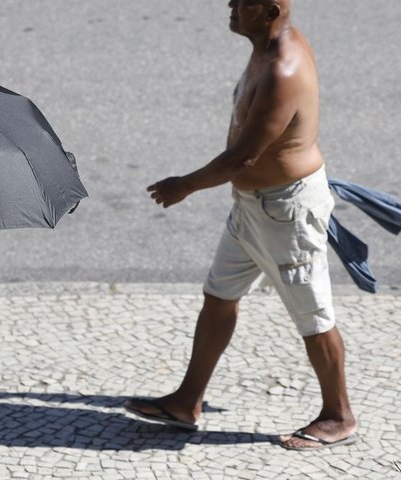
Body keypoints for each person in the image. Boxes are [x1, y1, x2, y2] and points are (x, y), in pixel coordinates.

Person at [126, 0, 359, 450]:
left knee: (314, 316)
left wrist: (184, 185)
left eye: (242, 0)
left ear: (269, 11)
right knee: (219, 295)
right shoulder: (266, 49)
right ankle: (187, 401)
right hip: (253, 206)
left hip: (286, 213)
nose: (230, 4)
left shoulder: (283, 70)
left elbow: (244, 157)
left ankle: (339, 416)